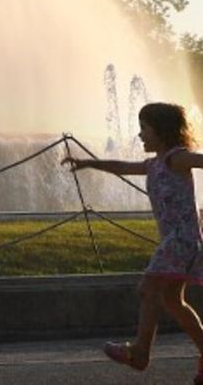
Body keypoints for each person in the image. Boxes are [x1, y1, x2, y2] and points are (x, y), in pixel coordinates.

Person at [65, 102, 203, 381]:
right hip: (177, 240)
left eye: (144, 128)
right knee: (172, 300)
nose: (140, 135)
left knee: (148, 288)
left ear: (161, 130)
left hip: (182, 239)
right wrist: (90, 163)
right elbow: (123, 167)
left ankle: (140, 352)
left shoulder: (177, 158)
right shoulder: (154, 164)